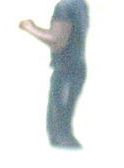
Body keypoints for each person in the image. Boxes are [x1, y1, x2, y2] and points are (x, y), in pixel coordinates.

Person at [19, 0, 89, 148]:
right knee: (62, 131)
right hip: (75, 69)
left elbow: (57, 41)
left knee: (59, 133)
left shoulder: (65, 6)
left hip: (65, 71)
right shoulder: (80, 4)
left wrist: (29, 27)